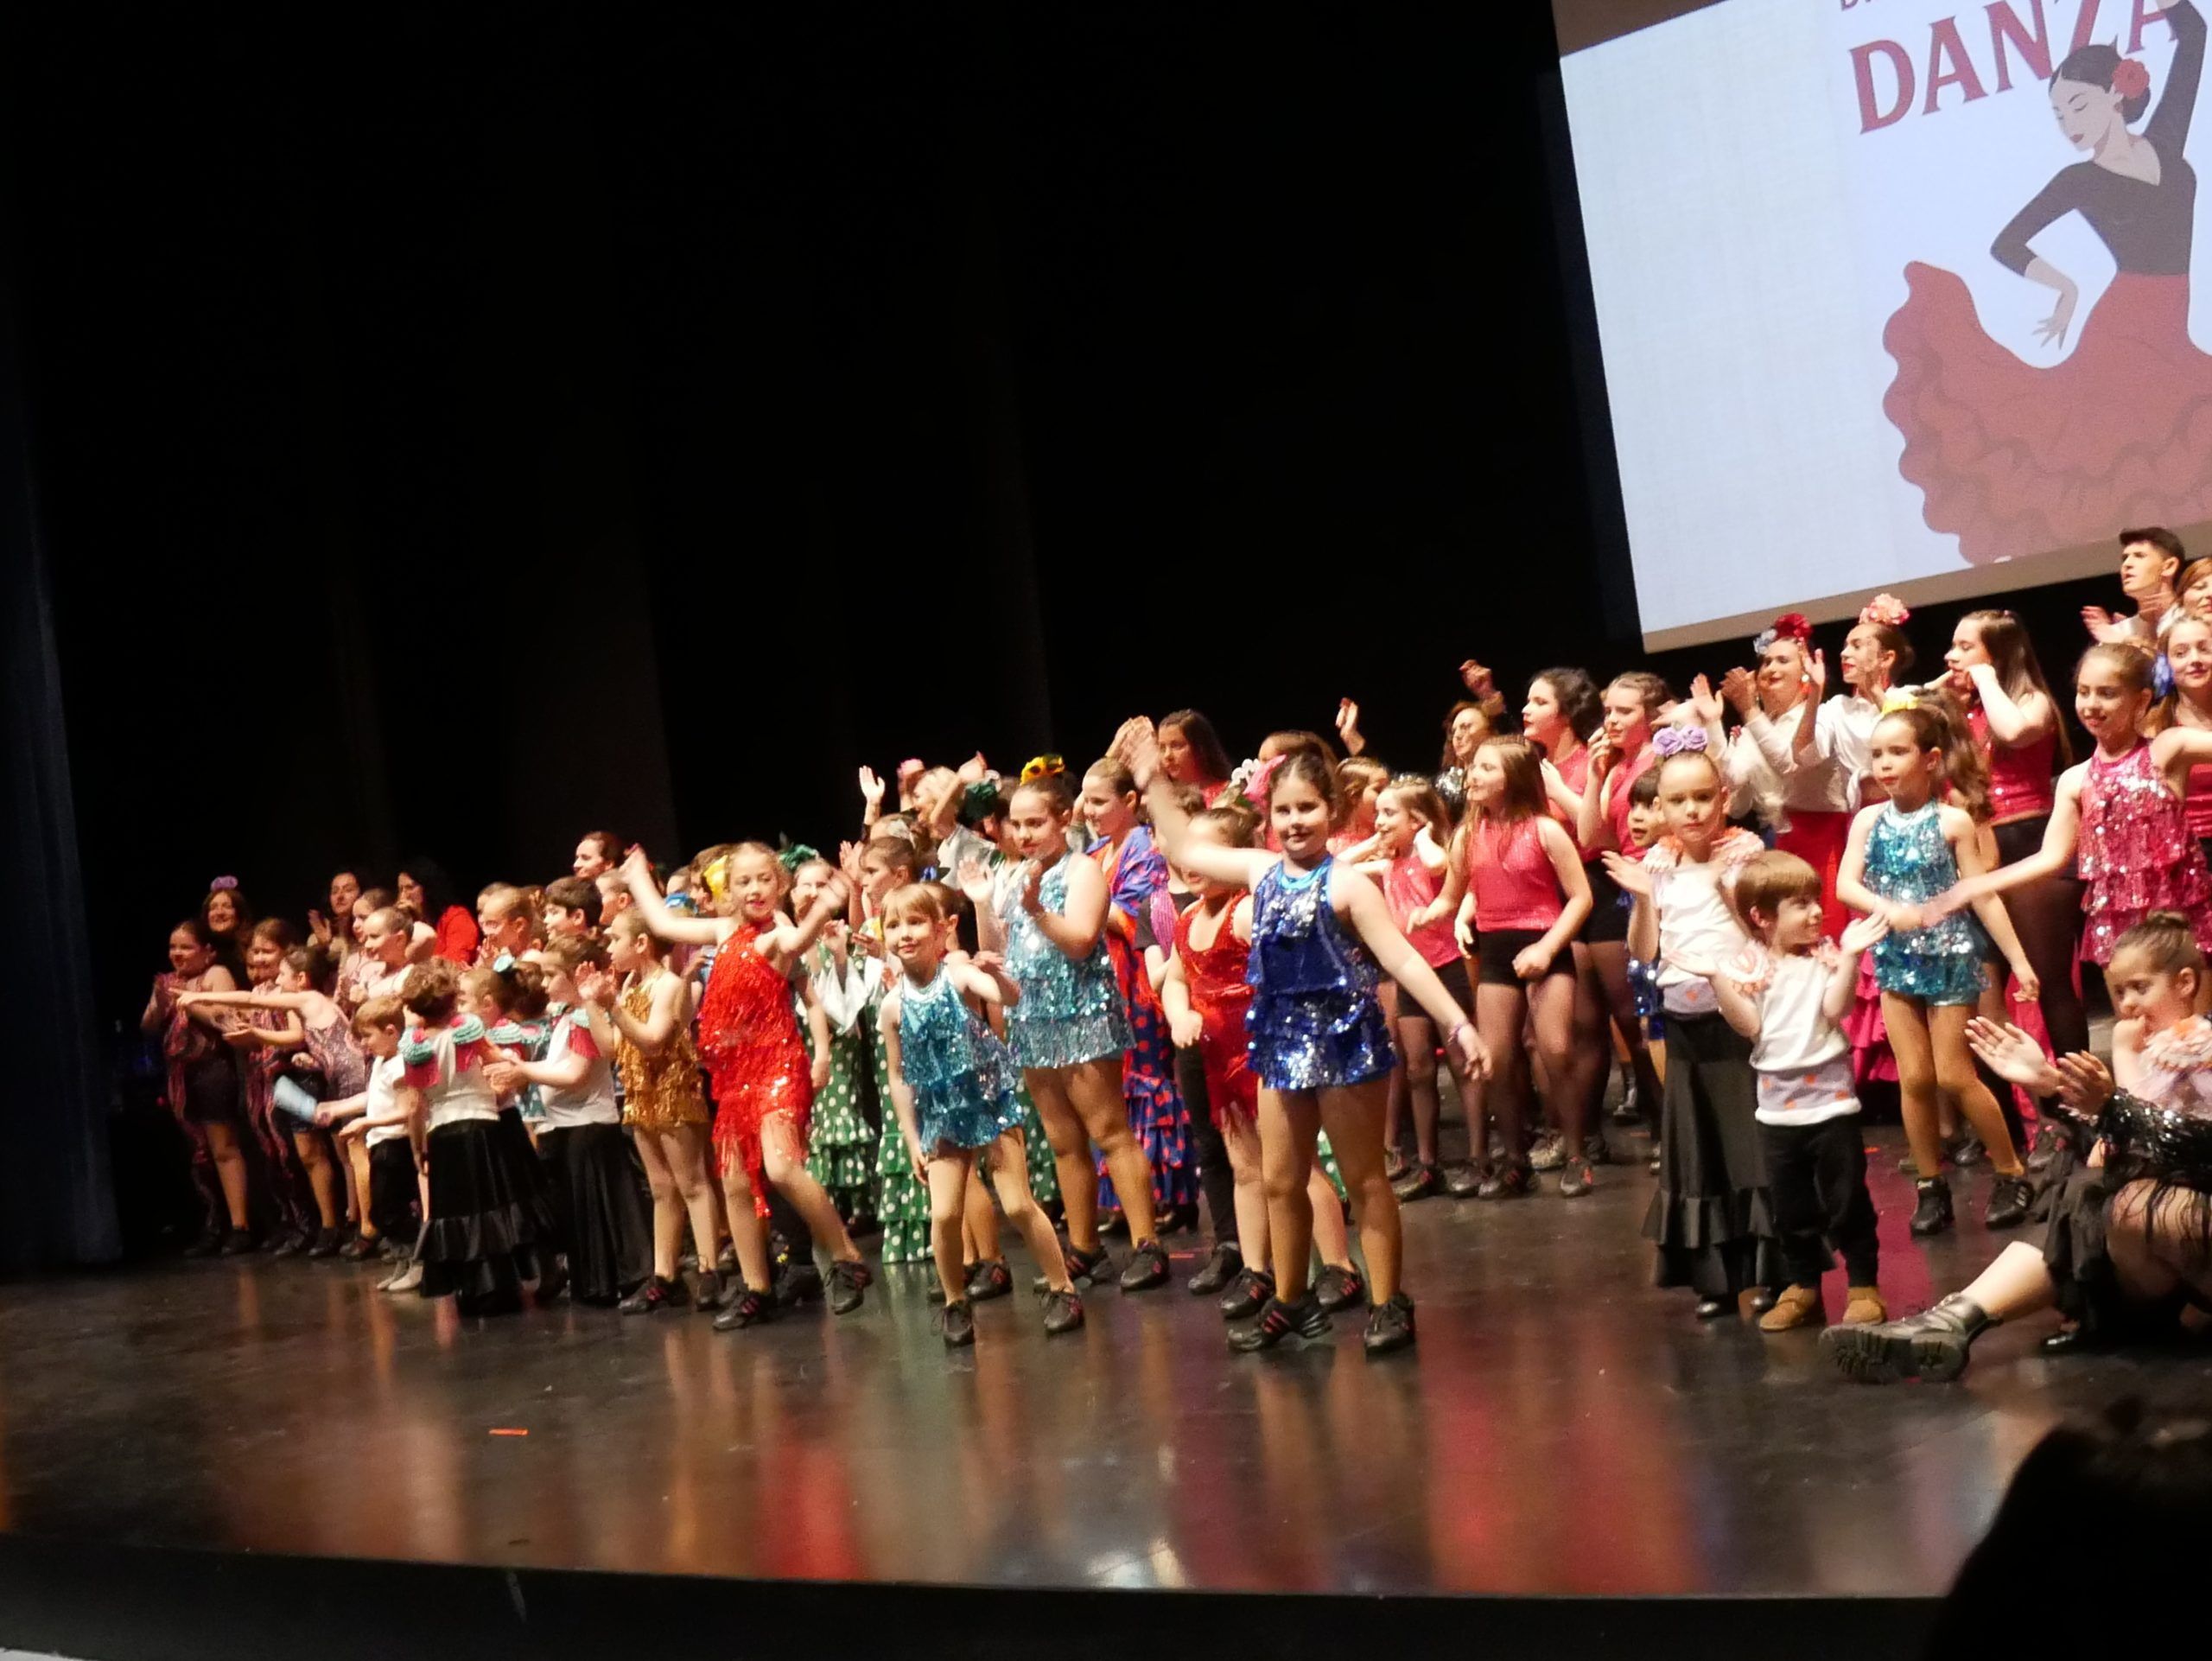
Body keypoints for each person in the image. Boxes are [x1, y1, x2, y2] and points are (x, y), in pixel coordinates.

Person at [1134, 725, 1489, 1355]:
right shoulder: (1259, 870)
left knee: (1364, 1179)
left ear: (1331, 812)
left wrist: (1458, 1024)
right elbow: (1187, 842)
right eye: (1284, 810)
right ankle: (1293, 1301)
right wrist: (1152, 781)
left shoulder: (1347, 885)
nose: (1296, 821)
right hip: (1281, 1042)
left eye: (1308, 808)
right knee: (1279, 1179)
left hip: (1345, 1041)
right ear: (1268, 818)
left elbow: (1404, 962)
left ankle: (1387, 1301)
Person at [1883, 0, 2212, 564]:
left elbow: (2195, 33)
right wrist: (2066, 289)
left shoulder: (2165, 141)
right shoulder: (2078, 180)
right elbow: (2007, 243)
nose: (2069, 124)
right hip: (2121, 339)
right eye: (2059, 115)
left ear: (2115, 94)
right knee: (2130, 469)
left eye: (2077, 106)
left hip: (2167, 333)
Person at [1827, 911, 2212, 1384]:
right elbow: (2121, 1140)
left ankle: (2079, 1319)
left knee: (2131, 1201)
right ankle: (1954, 1319)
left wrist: (2110, 1109)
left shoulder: (2203, 1047)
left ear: (2186, 983)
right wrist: (2050, 1084)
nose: (2128, 1005)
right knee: (2086, 1186)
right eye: (2119, 992)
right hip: (2168, 1229)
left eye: (2141, 988)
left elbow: (2192, 1146)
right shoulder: (2139, 1041)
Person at [620, 843, 874, 1323]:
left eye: (764, 879)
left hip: (777, 1066)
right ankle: (756, 1286)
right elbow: (666, 925)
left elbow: (797, 943)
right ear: (730, 891)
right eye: (744, 882)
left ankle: (846, 1259)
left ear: (779, 885)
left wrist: (823, 906)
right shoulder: (722, 929)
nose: (755, 889)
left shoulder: (777, 933)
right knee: (735, 1182)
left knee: (780, 1169)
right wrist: (637, 878)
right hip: (733, 1076)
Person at [1153, 805, 1363, 1322]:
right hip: (1218, 1060)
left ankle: (1338, 1265)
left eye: (1210, 852)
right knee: (1246, 1169)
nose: (1194, 862)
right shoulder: (1186, 918)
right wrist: (1179, 1014)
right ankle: (1256, 1268)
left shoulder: (1245, 912)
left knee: (1294, 1167)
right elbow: (1178, 978)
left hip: (1262, 1057)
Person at [1836, 703, 2039, 1235]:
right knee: (1917, 1078)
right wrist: (1889, 911)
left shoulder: (1953, 821)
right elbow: (1845, 885)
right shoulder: (1868, 819)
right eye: (1877, 754)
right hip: (1896, 960)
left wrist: (2017, 959)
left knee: (1954, 1074)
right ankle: (1930, 1184)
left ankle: (2010, 1170)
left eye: (1897, 752)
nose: (1884, 763)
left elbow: (1983, 896)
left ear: (1930, 759)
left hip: (1949, 958)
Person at [1606, 735, 1783, 1319]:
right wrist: (1643, 899)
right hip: (1682, 1018)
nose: (1692, 811)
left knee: (1747, 1144)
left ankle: (1773, 1272)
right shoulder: (1658, 863)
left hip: (1737, 1017)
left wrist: (1722, 884)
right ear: (1662, 808)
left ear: (1724, 798)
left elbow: (1760, 930)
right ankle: (1717, 1276)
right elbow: (1645, 949)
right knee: (1699, 1146)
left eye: (1704, 797)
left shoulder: (1743, 851)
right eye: (1678, 800)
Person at [973, 768, 1169, 1293]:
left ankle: (1148, 1243)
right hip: (1033, 1020)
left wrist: (1036, 908)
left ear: (1064, 819)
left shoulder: (1083, 870)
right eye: (1017, 825)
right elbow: (1000, 942)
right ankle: (1085, 1247)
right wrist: (979, 905)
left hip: (1082, 1015)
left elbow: (1081, 941)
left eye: (1036, 822)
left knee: (1110, 1133)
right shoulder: (1015, 877)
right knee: (1062, 1142)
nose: (1025, 834)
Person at [879, 882, 1085, 1346]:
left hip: (988, 1103)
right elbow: (897, 1076)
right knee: (945, 1213)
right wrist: (913, 1139)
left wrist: (1000, 974)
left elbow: (1007, 998)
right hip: (941, 1117)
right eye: (894, 925)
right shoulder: (892, 1006)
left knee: (1016, 1203)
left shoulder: (959, 977)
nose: (904, 933)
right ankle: (955, 1301)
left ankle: (1062, 1287)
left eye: (915, 922)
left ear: (940, 931)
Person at [1700, 851, 1889, 1332]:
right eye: (1799, 904)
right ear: (1763, 917)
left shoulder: (1824, 959)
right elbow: (1750, 1026)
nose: (1815, 912)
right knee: (1791, 1208)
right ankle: (1802, 1284)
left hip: (1832, 1107)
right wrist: (1717, 979)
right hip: (1778, 1115)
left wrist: (1849, 957)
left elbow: (1836, 1009)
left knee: (1847, 1200)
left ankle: (1864, 1284)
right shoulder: (1751, 967)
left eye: (1814, 901)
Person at [1429, 739, 1594, 1196]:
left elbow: (1580, 897)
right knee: (1496, 1059)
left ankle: (1577, 1152)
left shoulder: (1545, 830)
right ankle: (1514, 1160)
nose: (1474, 775)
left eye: (1486, 767)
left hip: (1544, 940)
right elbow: (1453, 891)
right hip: (1497, 947)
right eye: (1473, 768)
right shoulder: (1466, 834)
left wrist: (1546, 948)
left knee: (1556, 1049)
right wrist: (1434, 913)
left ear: (1514, 777)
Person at [1943, 610, 2087, 1072]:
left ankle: (2078, 1106)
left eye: (1966, 647)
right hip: (1980, 846)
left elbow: (2013, 732)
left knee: (2049, 980)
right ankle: (2024, 1117)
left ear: (1997, 654)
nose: (1952, 656)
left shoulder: (2033, 702)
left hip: (2031, 839)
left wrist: (1986, 678)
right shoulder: (1961, 710)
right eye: (1953, 646)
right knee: (1987, 989)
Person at [485, 939, 652, 1308]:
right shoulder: (564, 1015)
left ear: (578, 974)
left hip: (589, 1125)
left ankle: (623, 1279)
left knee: (601, 1210)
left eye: (550, 975)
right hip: (567, 1125)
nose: (543, 984)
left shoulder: (584, 1018)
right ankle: (594, 1281)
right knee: (579, 1212)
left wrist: (522, 1071)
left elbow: (576, 1074)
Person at [178, 941, 364, 1258]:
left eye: (283, 976)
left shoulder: (307, 997)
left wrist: (201, 996)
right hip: (333, 1079)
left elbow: (251, 1000)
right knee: (343, 1153)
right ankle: (348, 1224)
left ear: (302, 979)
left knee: (350, 1155)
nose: (277, 982)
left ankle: (357, 1227)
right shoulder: (310, 1002)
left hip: (349, 1080)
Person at [1079, 759, 1197, 1235]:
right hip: (1100, 985)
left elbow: (1137, 916)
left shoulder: (1143, 849)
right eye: (1085, 800)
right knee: (1117, 1093)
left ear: (1130, 802)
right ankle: (1128, 1197)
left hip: (1139, 979)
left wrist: (1080, 908)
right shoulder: (1094, 853)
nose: (1088, 810)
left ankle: (1170, 1193)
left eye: (1099, 800)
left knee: (1150, 1080)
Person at [398, 960, 543, 1316]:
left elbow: (415, 1102)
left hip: (443, 1131)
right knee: (489, 1206)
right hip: (480, 1125)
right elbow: (496, 1060)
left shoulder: (415, 1045)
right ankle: (499, 1283)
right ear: (451, 1000)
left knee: (459, 1210)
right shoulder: (467, 1029)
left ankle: (470, 1286)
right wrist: (515, 1061)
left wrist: (418, 1145)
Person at [143, 919, 252, 1253]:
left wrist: (190, 1000)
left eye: (186, 947)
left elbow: (227, 1018)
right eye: (173, 947)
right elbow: (148, 1025)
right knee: (199, 1154)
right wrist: (162, 1000)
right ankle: (212, 1224)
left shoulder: (215, 974)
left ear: (207, 951)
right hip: (181, 1075)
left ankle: (240, 1226)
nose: (177, 953)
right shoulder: (168, 980)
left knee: (223, 1149)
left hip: (213, 1070)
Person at [325, 996, 419, 1267]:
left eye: (367, 1036)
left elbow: (406, 1112)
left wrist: (366, 1124)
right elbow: (373, 1096)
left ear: (391, 1032)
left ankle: (418, 1259)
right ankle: (405, 1262)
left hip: (396, 1145)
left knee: (390, 1210)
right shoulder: (382, 1061)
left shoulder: (400, 1067)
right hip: (381, 1144)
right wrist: (337, 1108)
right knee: (381, 1210)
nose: (363, 1044)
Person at [2084, 526, 2188, 645]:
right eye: (2125, 558)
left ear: (2169, 567)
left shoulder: (2194, 619)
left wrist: (2124, 642)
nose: (2127, 564)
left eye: (2139, 556)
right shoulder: (2117, 632)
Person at [397, 859, 479, 964]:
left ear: (428, 888)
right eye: (401, 889)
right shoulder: (409, 920)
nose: (403, 895)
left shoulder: (457, 917)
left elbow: (455, 963)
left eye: (410, 887)